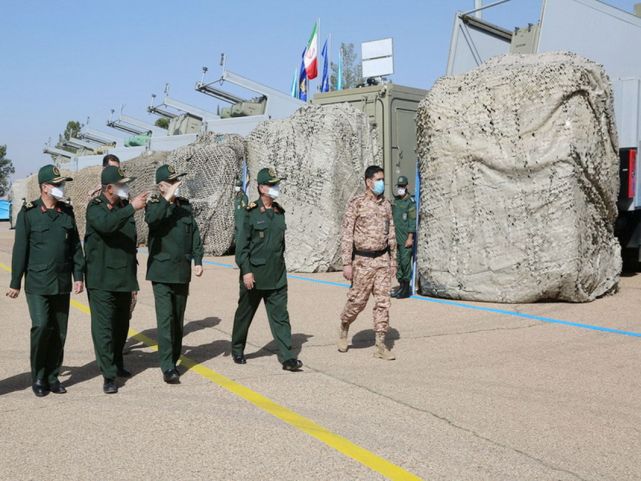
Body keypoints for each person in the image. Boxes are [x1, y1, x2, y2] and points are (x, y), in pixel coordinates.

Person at [6, 165, 85, 397]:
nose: (62, 187)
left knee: (59, 331)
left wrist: (78, 276)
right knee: (41, 326)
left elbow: (75, 247)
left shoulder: (67, 212)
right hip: (38, 282)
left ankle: (53, 376)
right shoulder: (28, 213)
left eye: (62, 184)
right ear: (45, 187)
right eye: (58, 184)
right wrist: (15, 282)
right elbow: (20, 250)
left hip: (61, 281)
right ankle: (38, 376)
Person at [231, 167, 303, 371]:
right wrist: (246, 270)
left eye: (276, 184)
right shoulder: (249, 213)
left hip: (277, 275)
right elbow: (242, 247)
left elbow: (281, 246)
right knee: (245, 314)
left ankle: (287, 357)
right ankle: (237, 348)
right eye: (272, 184)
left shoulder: (279, 212)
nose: (275, 187)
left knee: (281, 316)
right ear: (262, 188)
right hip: (254, 276)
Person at [85, 166, 148, 394]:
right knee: (104, 329)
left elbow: (130, 246)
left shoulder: (123, 207)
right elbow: (106, 225)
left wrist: (133, 282)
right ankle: (108, 375)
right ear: (109, 188)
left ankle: (117, 363)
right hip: (101, 279)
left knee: (121, 325)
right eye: (122, 184)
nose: (126, 188)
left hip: (123, 278)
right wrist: (131, 208)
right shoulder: (96, 207)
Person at [145, 165, 204, 384]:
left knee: (177, 319)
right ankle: (167, 366)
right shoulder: (154, 205)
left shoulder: (185, 206)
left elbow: (194, 233)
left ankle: (175, 356)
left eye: (177, 181)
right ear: (161, 186)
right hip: (161, 272)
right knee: (165, 319)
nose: (176, 185)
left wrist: (198, 260)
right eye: (171, 182)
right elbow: (153, 220)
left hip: (181, 271)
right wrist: (167, 198)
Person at [338, 165, 397, 360]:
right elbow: (347, 234)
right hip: (362, 261)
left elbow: (392, 234)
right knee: (357, 302)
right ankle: (345, 326)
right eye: (378, 180)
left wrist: (393, 261)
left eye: (382, 180)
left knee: (383, 303)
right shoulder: (356, 203)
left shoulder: (386, 205)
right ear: (368, 182)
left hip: (382, 259)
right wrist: (347, 263)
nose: (381, 183)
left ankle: (380, 344)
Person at [390, 176, 416, 299]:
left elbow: (412, 221)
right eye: (399, 186)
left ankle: (406, 289)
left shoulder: (410, 203)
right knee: (399, 263)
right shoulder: (396, 201)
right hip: (396, 238)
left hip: (405, 238)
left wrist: (410, 237)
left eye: (402, 186)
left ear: (407, 187)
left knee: (405, 263)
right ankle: (400, 287)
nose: (400, 188)